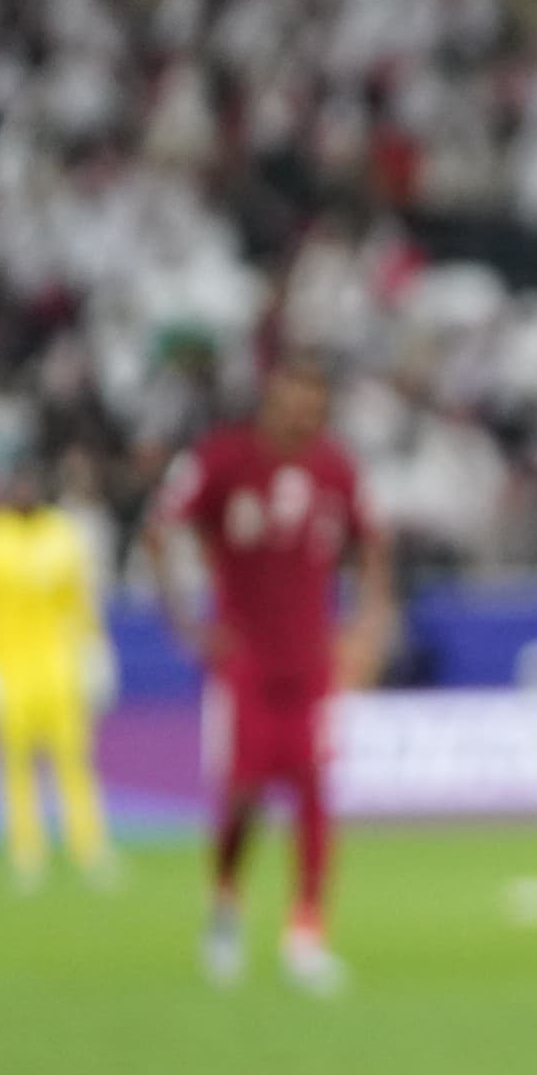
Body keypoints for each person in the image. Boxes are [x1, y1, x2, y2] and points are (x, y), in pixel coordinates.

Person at [158, 351, 393, 993]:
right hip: (247, 662)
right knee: (244, 795)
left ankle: (307, 933)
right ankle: (227, 906)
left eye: (315, 405)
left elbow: (374, 547)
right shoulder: (222, 459)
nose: (304, 415)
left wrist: (367, 630)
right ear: (270, 399)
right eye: (294, 401)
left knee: (316, 792)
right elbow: (160, 532)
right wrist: (186, 622)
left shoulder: (335, 468)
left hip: (311, 659)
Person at [0, 453, 117, 890]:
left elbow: (82, 600)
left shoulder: (62, 535)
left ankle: (89, 845)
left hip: (58, 663)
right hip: (10, 666)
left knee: (73, 758)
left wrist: (95, 650)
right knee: (16, 764)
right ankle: (26, 850)